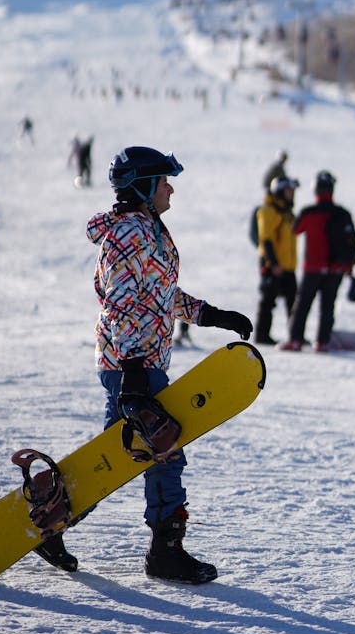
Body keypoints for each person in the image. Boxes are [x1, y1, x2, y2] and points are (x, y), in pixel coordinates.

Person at [35, 146, 251, 584]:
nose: (171, 188)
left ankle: (54, 521)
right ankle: (165, 552)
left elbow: (159, 295)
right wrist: (133, 369)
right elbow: (120, 301)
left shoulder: (146, 229)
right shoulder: (131, 233)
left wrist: (212, 315)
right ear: (144, 187)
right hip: (131, 364)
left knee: (115, 457)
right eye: (165, 181)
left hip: (138, 361)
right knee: (163, 452)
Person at [281, 170, 355, 353]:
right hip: (336, 269)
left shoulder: (309, 212)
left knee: (302, 305)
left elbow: (296, 229)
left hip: (313, 268)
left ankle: (295, 340)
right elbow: (352, 240)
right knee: (327, 306)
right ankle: (322, 343)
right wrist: (349, 265)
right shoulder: (343, 214)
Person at [254, 177, 299, 345]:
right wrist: (273, 263)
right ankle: (262, 336)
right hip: (274, 266)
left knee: (294, 302)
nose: (293, 194)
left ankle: (296, 336)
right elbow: (266, 239)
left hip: (288, 266)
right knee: (268, 302)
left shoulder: (287, 213)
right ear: (280, 191)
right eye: (289, 190)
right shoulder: (269, 211)